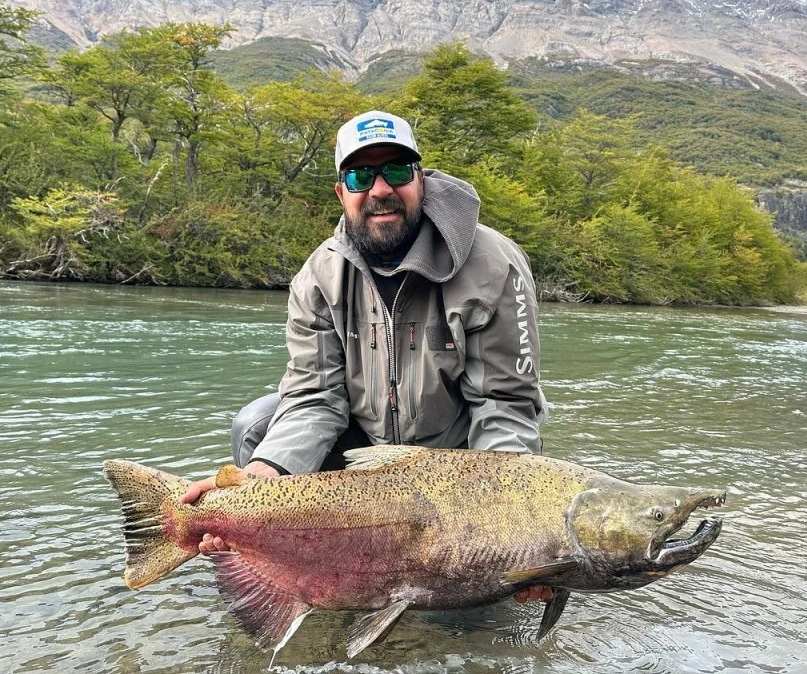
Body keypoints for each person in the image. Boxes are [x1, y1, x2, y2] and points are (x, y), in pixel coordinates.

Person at [182, 110, 552, 602]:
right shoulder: (318, 277)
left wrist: (513, 530)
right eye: (361, 175)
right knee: (255, 427)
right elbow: (314, 398)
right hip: (362, 448)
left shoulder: (493, 264)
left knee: (474, 604)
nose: (381, 189)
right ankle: (293, 568)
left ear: (421, 179)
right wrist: (260, 479)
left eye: (397, 170)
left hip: (460, 460)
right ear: (342, 192)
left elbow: (504, 403)